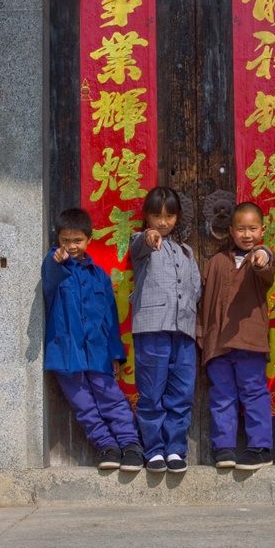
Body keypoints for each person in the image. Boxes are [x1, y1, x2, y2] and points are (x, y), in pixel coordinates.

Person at [41, 208, 143, 473]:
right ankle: (107, 446)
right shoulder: (55, 267)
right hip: (66, 352)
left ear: (89, 239)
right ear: (58, 239)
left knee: (111, 397)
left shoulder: (100, 276)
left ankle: (131, 444)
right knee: (83, 403)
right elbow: (49, 274)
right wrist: (57, 259)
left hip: (98, 351)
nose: (71, 246)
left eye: (77, 241)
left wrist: (115, 354)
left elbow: (110, 318)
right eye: (66, 240)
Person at [197, 201, 275, 471]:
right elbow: (203, 301)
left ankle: (260, 448)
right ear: (231, 231)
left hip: (249, 341)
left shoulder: (261, 256)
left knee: (254, 393)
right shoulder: (216, 262)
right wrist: (202, 335)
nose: (246, 235)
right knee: (222, 395)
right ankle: (225, 447)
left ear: (262, 230)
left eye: (252, 228)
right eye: (241, 229)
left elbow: (267, 265)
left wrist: (263, 255)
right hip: (218, 343)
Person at [129, 187, 202, 474]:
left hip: (182, 330)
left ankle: (175, 449)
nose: (163, 222)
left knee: (181, 392)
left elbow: (195, 287)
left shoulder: (187, 251)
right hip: (151, 329)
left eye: (169, 215)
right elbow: (140, 244)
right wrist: (148, 237)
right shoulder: (141, 241)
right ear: (146, 217)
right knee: (151, 391)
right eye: (156, 216)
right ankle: (154, 449)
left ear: (177, 217)